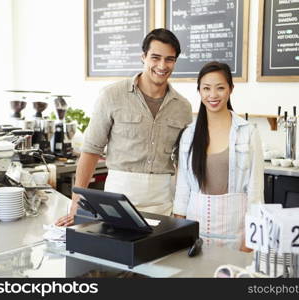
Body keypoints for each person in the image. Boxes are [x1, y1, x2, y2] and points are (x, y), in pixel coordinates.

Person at [56, 29, 192, 226]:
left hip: (162, 202)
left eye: (169, 59)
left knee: (157, 255)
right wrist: (77, 202)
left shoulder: (183, 107)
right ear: (143, 57)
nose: (162, 66)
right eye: (155, 57)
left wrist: (181, 209)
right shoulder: (112, 95)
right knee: (116, 253)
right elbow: (91, 150)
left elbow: (183, 164)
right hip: (118, 198)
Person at [173, 61, 264, 251]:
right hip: (194, 228)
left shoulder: (248, 133)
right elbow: (183, 188)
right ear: (199, 91)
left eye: (220, 88)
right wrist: (178, 231)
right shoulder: (189, 134)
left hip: (236, 230)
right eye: (206, 88)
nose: (212, 95)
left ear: (231, 89)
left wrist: (249, 241)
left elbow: (255, 192)